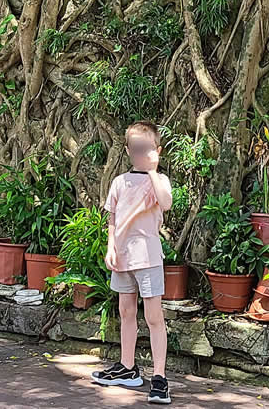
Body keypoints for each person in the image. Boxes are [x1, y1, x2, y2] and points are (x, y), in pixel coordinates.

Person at [91, 121, 174, 404]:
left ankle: (159, 377)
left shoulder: (159, 181)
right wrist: (110, 247)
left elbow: (165, 204)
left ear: (157, 150)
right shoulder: (119, 182)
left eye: (147, 148)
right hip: (123, 258)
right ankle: (128, 367)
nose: (141, 153)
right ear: (128, 150)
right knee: (126, 311)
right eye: (136, 148)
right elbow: (112, 219)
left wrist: (152, 169)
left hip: (148, 258)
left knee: (154, 317)